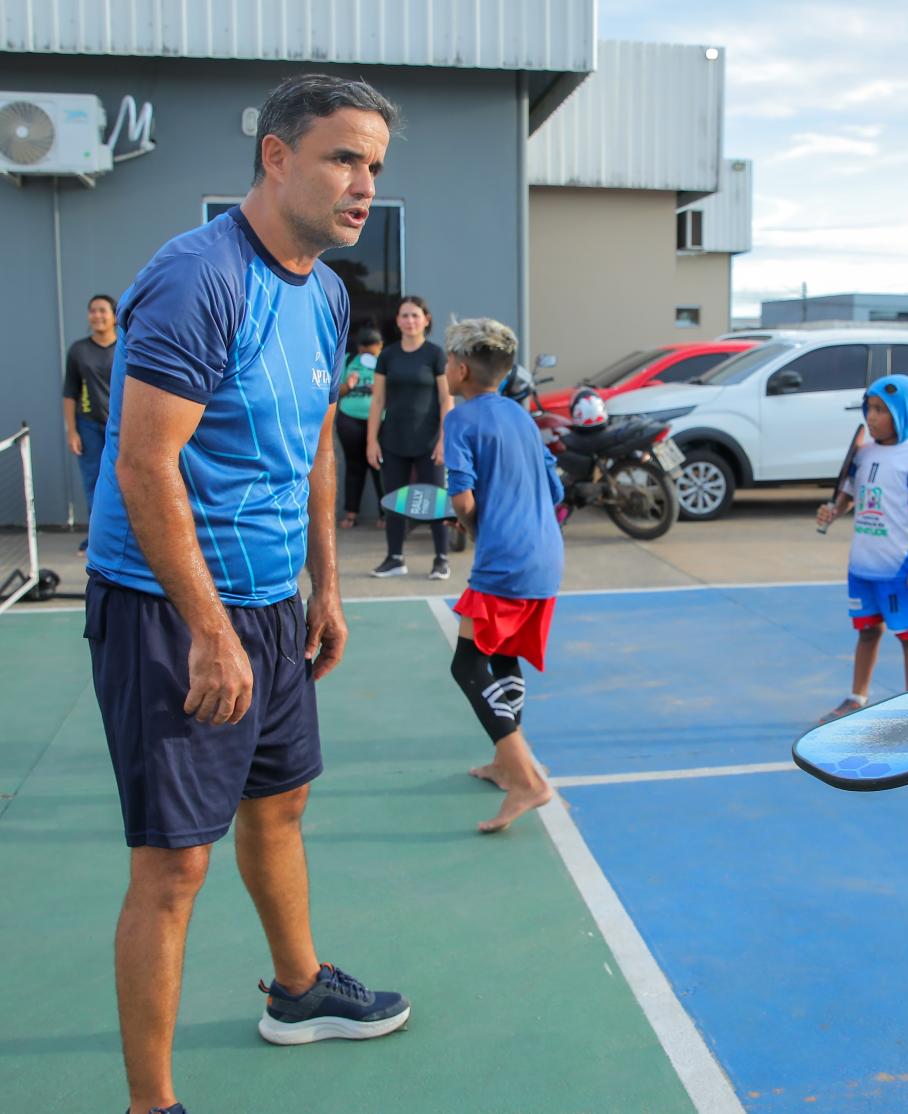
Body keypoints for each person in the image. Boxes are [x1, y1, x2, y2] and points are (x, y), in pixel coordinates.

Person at [82, 74, 410, 1114]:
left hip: (271, 602)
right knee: (176, 865)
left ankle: (300, 988)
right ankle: (153, 1104)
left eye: (374, 167)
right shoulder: (196, 278)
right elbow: (144, 467)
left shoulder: (325, 290)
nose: (362, 184)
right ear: (276, 157)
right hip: (171, 609)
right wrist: (209, 630)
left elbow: (315, 436)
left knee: (282, 803)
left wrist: (324, 581)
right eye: (343, 158)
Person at [440, 317, 564, 833]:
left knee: (467, 667)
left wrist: (471, 524)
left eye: (447, 360)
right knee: (503, 653)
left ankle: (526, 780)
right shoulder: (521, 415)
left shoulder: (459, 420)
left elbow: (463, 500)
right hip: (546, 555)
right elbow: (555, 493)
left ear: (462, 369)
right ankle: (503, 761)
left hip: (505, 560)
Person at [815, 374, 908, 721]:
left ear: (903, 414)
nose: (871, 417)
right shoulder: (864, 454)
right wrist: (834, 510)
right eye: (869, 408)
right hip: (862, 564)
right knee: (868, 630)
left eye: (881, 410)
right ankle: (857, 697)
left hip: (899, 566)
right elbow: (850, 497)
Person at [366, 295, 452, 578]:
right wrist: (371, 440)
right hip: (393, 441)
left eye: (415, 315)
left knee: (436, 501)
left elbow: (445, 400)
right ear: (398, 321)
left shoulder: (436, 355)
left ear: (426, 319)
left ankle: (441, 559)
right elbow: (377, 400)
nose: (410, 320)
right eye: (404, 315)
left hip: (429, 443)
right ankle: (395, 558)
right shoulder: (388, 356)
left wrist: (443, 440)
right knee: (394, 501)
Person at [62, 293, 118, 554]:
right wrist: (72, 430)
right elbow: (70, 391)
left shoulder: (126, 347)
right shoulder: (78, 350)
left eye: (103, 310)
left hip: (120, 426)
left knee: (123, 481)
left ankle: (121, 539)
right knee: (93, 484)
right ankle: (96, 540)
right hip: (89, 427)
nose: (97, 315)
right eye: (93, 310)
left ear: (114, 316)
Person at [336, 326, 384, 528]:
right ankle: (351, 514)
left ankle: (385, 514)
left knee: (380, 467)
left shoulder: (386, 361)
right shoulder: (347, 360)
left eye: (372, 352)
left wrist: (381, 388)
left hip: (380, 420)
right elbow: (335, 392)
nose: (367, 356)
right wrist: (348, 385)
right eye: (363, 351)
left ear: (380, 347)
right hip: (350, 420)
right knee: (354, 467)